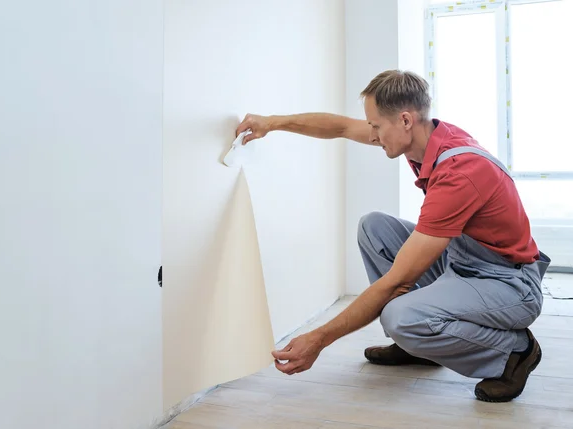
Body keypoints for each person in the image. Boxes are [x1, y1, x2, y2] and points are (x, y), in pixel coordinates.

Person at [235, 69, 551, 403]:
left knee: (400, 315)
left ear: (404, 120)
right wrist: (272, 122)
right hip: (466, 260)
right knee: (374, 228)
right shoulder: (426, 137)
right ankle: (419, 348)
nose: (371, 135)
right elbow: (341, 127)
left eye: (375, 126)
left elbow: (397, 283)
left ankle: (514, 351)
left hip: (509, 284)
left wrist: (319, 339)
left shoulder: (458, 173)